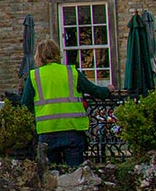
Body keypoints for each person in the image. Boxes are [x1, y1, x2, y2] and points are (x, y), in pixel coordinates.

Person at [19, 39, 108, 169]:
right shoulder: (71, 72)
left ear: (38, 56)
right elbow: (95, 91)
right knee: (76, 172)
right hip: (72, 128)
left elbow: (25, 105)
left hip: (47, 130)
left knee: (52, 175)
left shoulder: (34, 76)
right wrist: (108, 90)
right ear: (57, 54)